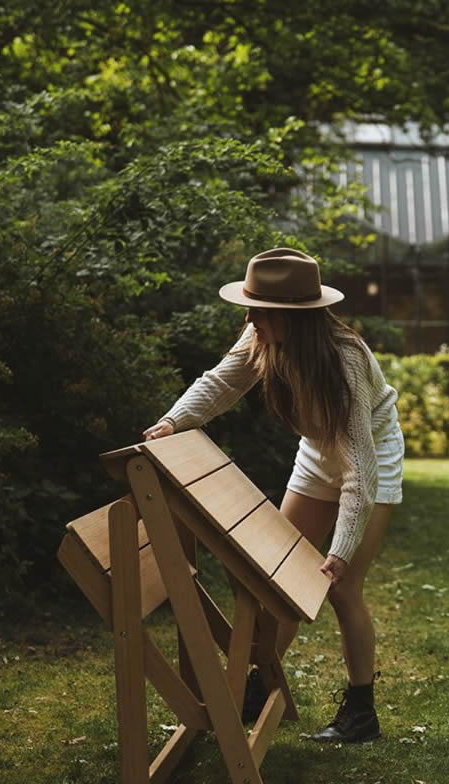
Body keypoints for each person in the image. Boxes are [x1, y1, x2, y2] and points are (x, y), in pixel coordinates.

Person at [143, 248, 403, 743]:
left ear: (291, 317)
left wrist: (340, 550)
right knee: (280, 579)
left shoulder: (343, 362)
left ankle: (361, 713)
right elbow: (222, 382)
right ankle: (260, 685)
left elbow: (359, 471)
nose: (248, 318)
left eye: (258, 310)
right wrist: (174, 421)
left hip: (372, 457)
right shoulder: (262, 336)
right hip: (317, 451)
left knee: (342, 587)